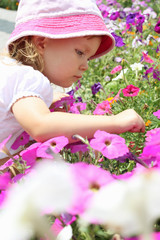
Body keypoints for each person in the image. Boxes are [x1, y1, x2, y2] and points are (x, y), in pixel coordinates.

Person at [0, 0, 145, 160]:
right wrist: (115, 122)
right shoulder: (28, 78)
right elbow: (41, 125)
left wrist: (40, 97)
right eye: (80, 52)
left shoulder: (12, 71)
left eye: (88, 58)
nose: (85, 66)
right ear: (41, 43)